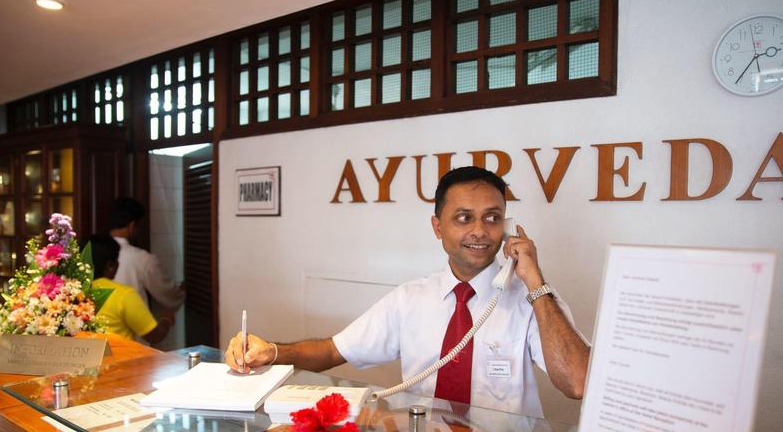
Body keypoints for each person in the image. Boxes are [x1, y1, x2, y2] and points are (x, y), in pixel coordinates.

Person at [226, 166, 590, 415]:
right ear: (437, 227)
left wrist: (534, 282)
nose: (480, 231)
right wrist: (271, 351)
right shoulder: (411, 298)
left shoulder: (534, 299)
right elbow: (332, 350)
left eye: (493, 218)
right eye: (464, 218)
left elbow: (577, 382)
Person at [89, 234, 175, 344]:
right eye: (116, 262)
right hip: (121, 359)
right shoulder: (123, 295)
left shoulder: (73, 291)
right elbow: (155, 335)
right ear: (111, 266)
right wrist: (166, 319)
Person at [109, 197, 185, 311]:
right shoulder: (140, 258)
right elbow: (165, 291)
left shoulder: (93, 250)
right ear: (132, 225)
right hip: (133, 323)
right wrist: (181, 290)